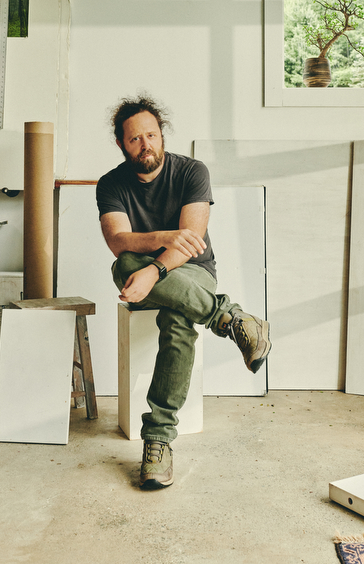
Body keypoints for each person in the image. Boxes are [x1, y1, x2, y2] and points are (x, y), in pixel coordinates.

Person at [96, 94, 271, 490]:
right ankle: (229, 318)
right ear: (122, 144)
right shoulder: (111, 184)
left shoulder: (192, 171)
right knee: (123, 264)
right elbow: (118, 241)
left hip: (193, 272)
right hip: (140, 268)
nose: (146, 145)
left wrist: (155, 270)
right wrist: (161, 237)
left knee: (176, 319)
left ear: (162, 134)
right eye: (135, 139)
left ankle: (157, 440)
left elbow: (190, 244)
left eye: (152, 135)